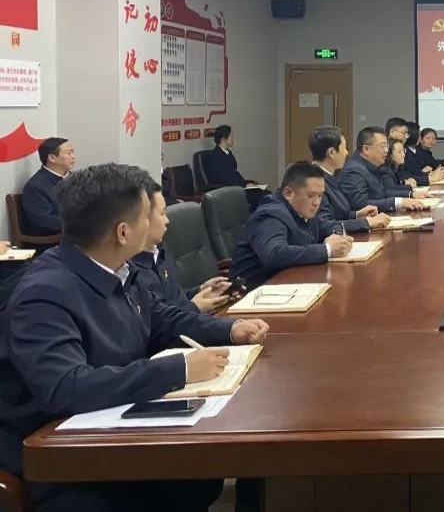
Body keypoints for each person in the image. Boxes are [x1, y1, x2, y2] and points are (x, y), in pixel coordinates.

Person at [0, 162, 269, 512]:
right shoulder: (45, 293)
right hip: (60, 457)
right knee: (190, 478)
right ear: (123, 232)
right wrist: (179, 370)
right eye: (148, 214)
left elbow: (162, 318)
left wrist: (230, 329)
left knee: (200, 477)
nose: (161, 221)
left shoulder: (121, 271)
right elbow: (65, 388)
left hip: (115, 427)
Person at [228, 162, 356, 288]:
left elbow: (326, 225)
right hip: (253, 291)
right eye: (311, 195)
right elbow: (274, 254)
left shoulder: (302, 210)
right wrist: (327, 250)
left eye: (320, 195)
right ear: (288, 193)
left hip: (289, 283)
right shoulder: (271, 215)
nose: (317, 202)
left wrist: (336, 235)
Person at [129, 179, 237, 314]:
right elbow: (159, 321)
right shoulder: (133, 274)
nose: (167, 221)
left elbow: (174, 298)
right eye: (162, 214)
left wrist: (202, 290)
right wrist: (194, 307)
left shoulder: (159, 255)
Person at [309, 125, 390, 234]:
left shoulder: (329, 176)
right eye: (344, 148)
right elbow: (324, 224)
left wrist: (357, 215)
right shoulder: (315, 182)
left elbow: (337, 215)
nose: (347, 153)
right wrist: (366, 222)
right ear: (331, 152)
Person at [339, 127, 427, 213]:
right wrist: (399, 203)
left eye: (387, 146)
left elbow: (381, 193)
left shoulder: (370, 166)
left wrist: (410, 194)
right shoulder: (353, 170)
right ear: (366, 149)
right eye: (383, 146)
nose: (386, 151)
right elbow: (360, 204)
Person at [21, 137, 75, 237]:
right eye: (69, 153)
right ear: (52, 158)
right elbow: (45, 221)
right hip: (51, 240)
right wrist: (79, 223)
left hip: (76, 235)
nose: (73, 156)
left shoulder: (76, 178)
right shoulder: (35, 186)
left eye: (73, 152)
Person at [203, 125, 266, 211]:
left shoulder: (228, 153)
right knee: (263, 197)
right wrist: (244, 185)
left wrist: (247, 183)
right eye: (230, 136)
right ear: (223, 139)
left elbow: (234, 174)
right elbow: (225, 178)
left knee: (266, 194)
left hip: (237, 187)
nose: (233, 138)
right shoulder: (215, 157)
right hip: (228, 190)